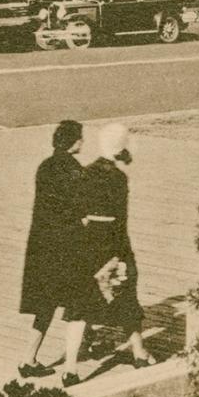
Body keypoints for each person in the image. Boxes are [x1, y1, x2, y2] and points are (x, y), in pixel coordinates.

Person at [18, 120, 90, 382]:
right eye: (80, 138)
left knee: (45, 304)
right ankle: (70, 369)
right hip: (68, 247)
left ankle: (28, 359)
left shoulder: (45, 167)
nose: (83, 142)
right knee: (78, 306)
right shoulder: (74, 170)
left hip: (41, 245)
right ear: (74, 142)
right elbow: (83, 208)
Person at [79, 123, 154, 372]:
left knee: (88, 290)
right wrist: (122, 254)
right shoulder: (118, 177)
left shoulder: (86, 172)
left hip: (88, 242)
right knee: (127, 290)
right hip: (113, 241)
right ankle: (139, 351)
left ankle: (88, 338)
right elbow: (121, 219)